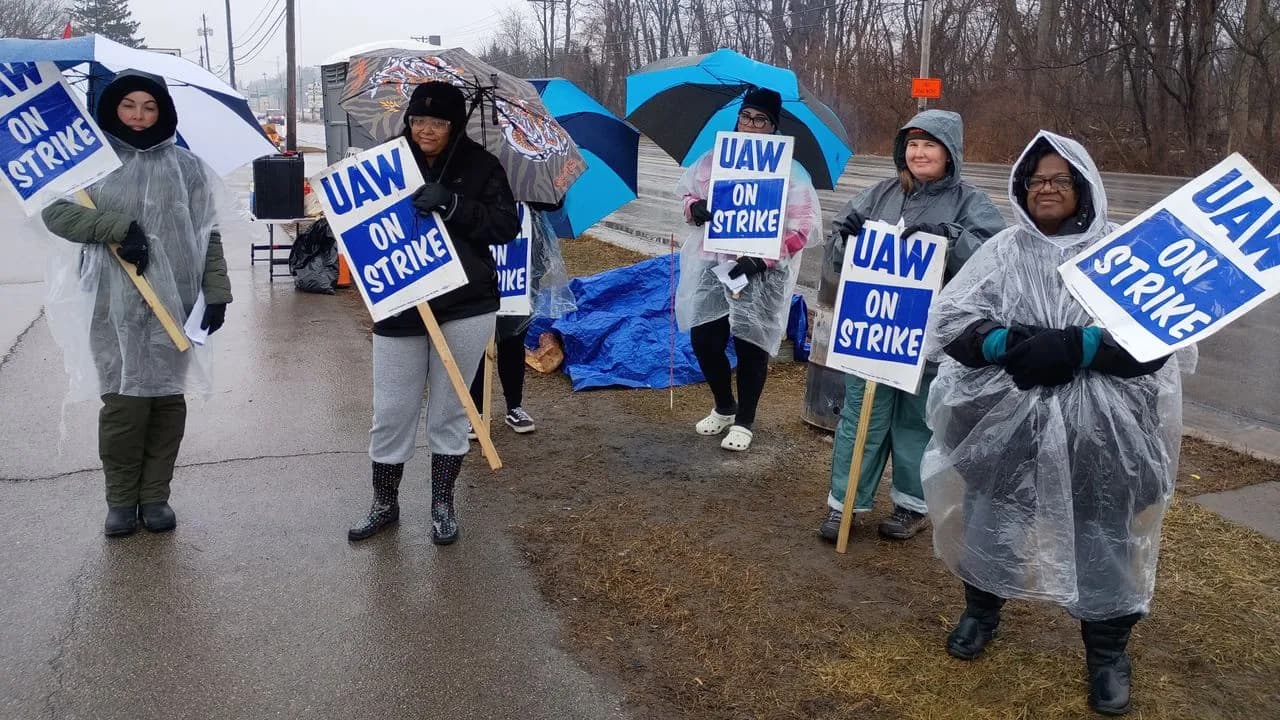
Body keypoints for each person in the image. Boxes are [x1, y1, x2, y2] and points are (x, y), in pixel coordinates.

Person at [921, 131, 1194, 716]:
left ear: (1083, 188)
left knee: (1104, 534)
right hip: (1008, 419)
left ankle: (1107, 653)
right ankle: (981, 611)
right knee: (994, 514)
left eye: (1059, 180)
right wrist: (1000, 341)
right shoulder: (1004, 250)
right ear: (1023, 188)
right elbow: (952, 320)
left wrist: (1082, 344)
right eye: (1036, 180)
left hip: (1105, 429)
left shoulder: (1121, 253)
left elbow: (1160, 339)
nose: (1046, 189)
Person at [41, 71, 232, 537]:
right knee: (125, 407)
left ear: (163, 111)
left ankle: (156, 496)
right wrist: (116, 228)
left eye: (149, 106)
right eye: (130, 106)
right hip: (113, 303)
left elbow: (207, 233)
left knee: (167, 403)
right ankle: (122, 499)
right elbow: (54, 211)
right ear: (113, 109)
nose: (140, 116)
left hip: (176, 305)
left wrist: (217, 291)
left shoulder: (187, 167)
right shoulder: (91, 166)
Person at [818, 110, 1004, 543]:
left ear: (949, 152)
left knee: (916, 420)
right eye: (912, 145)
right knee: (861, 415)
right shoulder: (879, 194)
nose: (919, 153)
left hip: (930, 337)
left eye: (929, 144)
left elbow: (992, 263)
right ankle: (843, 502)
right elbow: (839, 261)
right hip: (874, 328)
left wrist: (950, 238)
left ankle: (910, 505)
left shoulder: (971, 202)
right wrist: (844, 237)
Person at [347, 81, 519, 545]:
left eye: (438, 122)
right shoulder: (385, 164)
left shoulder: (481, 165)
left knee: (449, 412)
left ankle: (442, 504)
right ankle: (384, 503)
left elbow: (506, 225)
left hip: (466, 306)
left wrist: (454, 203)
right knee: (392, 411)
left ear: (454, 124)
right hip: (400, 305)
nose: (426, 130)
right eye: (419, 120)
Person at [675, 87, 822, 452]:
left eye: (761, 120)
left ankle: (745, 421)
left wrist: (763, 259)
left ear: (773, 127)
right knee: (704, 339)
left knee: (751, 343)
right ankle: (725, 406)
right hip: (713, 264)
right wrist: (694, 208)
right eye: (746, 117)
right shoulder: (714, 159)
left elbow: (801, 227)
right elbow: (687, 193)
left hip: (762, 273)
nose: (752, 125)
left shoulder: (790, 170)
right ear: (738, 119)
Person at [467, 201, 575, 437]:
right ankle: (476, 411)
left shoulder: (531, 170)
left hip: (522, 264)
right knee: (476, 338)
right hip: (479, 261)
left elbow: (554, 202)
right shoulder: (474, 168)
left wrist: (537, 195)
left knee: (513, 339)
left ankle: (514, 406)